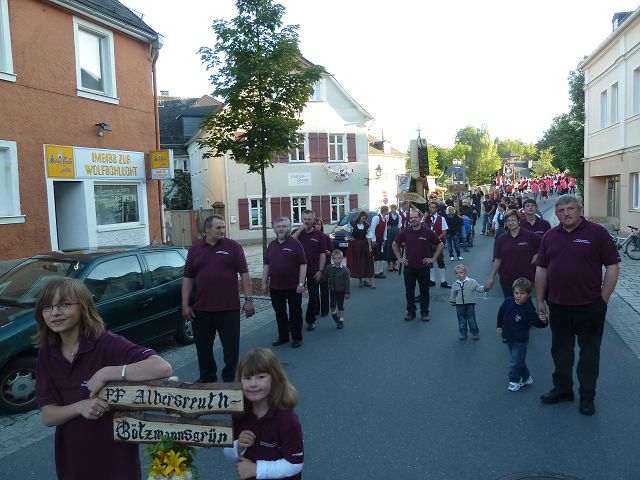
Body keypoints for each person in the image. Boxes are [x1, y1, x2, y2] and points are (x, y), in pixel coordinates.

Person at [35, 278, 172, 480]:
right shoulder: (47, 352)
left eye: (65, 304)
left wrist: (107, 372)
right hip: (73, 457)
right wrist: (80, 406)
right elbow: (48, 415)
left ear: (84, 307)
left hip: (115, 457)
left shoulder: (107, 343)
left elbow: (162, 367)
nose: (55, 313)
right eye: (48, 307)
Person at [536, 194, 620, 415]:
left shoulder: (597, 233)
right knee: (561, 351)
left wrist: (604, 298)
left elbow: (612, 266)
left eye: (571, 208)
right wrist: (539, 300)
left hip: (590, 306)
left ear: (580, 210)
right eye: (562, 211)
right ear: (556, 214)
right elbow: (541, 269)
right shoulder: (549, 236)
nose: (566, 213)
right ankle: (563, 389)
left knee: (589, 354)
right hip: (559, 305)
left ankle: (587, 396)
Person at [183, 214, 255, 383]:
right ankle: (207, 376)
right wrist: (185, 304)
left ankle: (229, 379)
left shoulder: (233, 247)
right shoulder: (195, 250)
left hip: (228, 308)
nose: (222, 230)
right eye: (218, 227)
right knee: (203, 347)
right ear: (207, 229)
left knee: (231, 348)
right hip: (201, 309)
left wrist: (248, 299)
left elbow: (244, 273)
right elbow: (187, 278)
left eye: (223, 227)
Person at [224, 348, 304, 480]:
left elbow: (295, 463)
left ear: (275, 378)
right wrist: (237, 447)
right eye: (247, 378)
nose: (253, 384)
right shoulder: (239, 412)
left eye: (261, 377)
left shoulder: (287, 419)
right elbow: (229, 453)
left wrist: (257, 469)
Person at [263, 217, 308, 349]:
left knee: (295, 312)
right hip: (275, 286)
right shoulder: (271, 245)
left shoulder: (295, 243)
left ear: (289, 228)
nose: (281, 229)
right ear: (274, 228)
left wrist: (301, 284)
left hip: (293, 286)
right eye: (278, 226)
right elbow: (267, 265)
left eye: (284, 226)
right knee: (280, 312)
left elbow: (303, 264)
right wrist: (264, 282)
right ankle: (283, 336)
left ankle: (296, 337)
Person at [392, 209, 444, 321]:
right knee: (409, 291)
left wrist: (433, 258)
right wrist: (399, 258)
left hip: (424, 267)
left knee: (424, 291)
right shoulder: (405, 232)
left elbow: (440, 244)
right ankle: (411, 312)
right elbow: (394, 244)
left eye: (415, 217)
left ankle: (424, 313)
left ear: (420, 218)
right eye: (411, 218)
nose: (413, 220)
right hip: (409, 267)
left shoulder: (427, 232)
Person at [497, 277, 548, 392]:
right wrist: (499, 325)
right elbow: (501, 312)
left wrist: (544, 321)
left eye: (522, 293)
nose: (518, 295)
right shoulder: (508, 302)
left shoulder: (528, 309)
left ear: (529, 294)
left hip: (520, 340)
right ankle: (526, 377)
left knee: (515, 361)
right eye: (516, 293)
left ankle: (514, 380)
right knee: (518, 359)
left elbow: (537, 323)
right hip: (508, 337)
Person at [486, 209, 541, 298]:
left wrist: (537, 256)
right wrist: (491, 277)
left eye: (513, 220)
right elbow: (498, 259)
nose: (510, 223)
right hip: (507, 279)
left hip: (525, 279)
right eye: (508, 221)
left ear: (519, 221)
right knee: (509, 305)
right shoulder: (502, 239)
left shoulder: (529, 235)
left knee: (524, 305)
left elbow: (544, 245)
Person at [292, 210, 326, 332]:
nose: (307, 221)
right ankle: (296, 322)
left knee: (314, 296)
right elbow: (290, 242)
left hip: (313, 270)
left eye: (309, 219)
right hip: (297, 270)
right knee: (296, 297)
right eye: (304, 219)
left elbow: (322, 254)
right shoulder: (297, 232)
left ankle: (310, 320)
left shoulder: (319, 235)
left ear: (313, 219)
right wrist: (300, 229)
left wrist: (320, 270)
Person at [449, 264, 486, 340]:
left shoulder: (472, 282)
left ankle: (475, 333)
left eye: (461, 272)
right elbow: (453, 294)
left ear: (466, 273)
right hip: (459, 305)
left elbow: (479, 288)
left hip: (470, 304)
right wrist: (452, 302)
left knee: (472, 319)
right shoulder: (455, 284)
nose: (459, 274)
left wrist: (486, 287)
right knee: (461, 320)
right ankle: (463, 333)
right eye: (457, 273)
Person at [343, 211, 376, 288]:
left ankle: (372, 283)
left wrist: (370, 247)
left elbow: (368, 236)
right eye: (363, 218)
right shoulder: (353, 224)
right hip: (355, 246)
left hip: (364, 245)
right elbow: (343, 229)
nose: (364, 220)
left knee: (368, 262)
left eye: (365, 218)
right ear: (360, 217)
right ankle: (360, 282)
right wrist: (349, 237)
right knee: (358, 262)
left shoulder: (366, 225)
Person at [423, 201, 451, 288]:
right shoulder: (426, 218)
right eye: (430, 207)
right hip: (428, 243)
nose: (431, 209)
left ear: (437, 209)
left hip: (437, 243)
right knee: (429, 261)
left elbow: (444, 232)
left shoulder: (441, 218)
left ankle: (443, 281)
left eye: (433, 207)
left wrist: (436, 239)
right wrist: (424, 219)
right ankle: (432, 280)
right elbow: (421, 229)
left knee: (440, 260)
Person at [322, 249, 351, 329]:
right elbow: (324, 277)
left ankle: (341, 320)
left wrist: (347, 292)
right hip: (332, 290)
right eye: (335, 258)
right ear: (332, 258)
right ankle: (335, 316)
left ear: (342, 258)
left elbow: (347, 282)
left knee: (340, 306)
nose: (337, 260)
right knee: (332, 305)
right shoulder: (329, 268)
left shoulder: (345, 270)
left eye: (339, 258)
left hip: (341, 291)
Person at [369, 205, 388, 278]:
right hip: (376, 239)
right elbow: (372, 229)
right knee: (376, 256)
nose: (388, 211)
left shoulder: (385, 219)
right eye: (387, 210)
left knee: (381, 256)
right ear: (384, 211)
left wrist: (384, 239)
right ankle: (376, 272)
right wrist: (373, 240)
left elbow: (385, 230)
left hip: (381, 240)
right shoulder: (376, 218)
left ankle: (381, 271)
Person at [384, 204, 401, 271]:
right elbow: (385, 224)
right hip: (389, 233)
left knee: (396, 246)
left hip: (396, 232)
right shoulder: (387, 216)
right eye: (392, 208)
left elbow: (399, 226)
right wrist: (387, 228)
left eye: (394, 208)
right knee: (389, 247)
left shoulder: (398, 216)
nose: (393, 209)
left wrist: (400, 234)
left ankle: (394, 264)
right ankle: (389, 265)